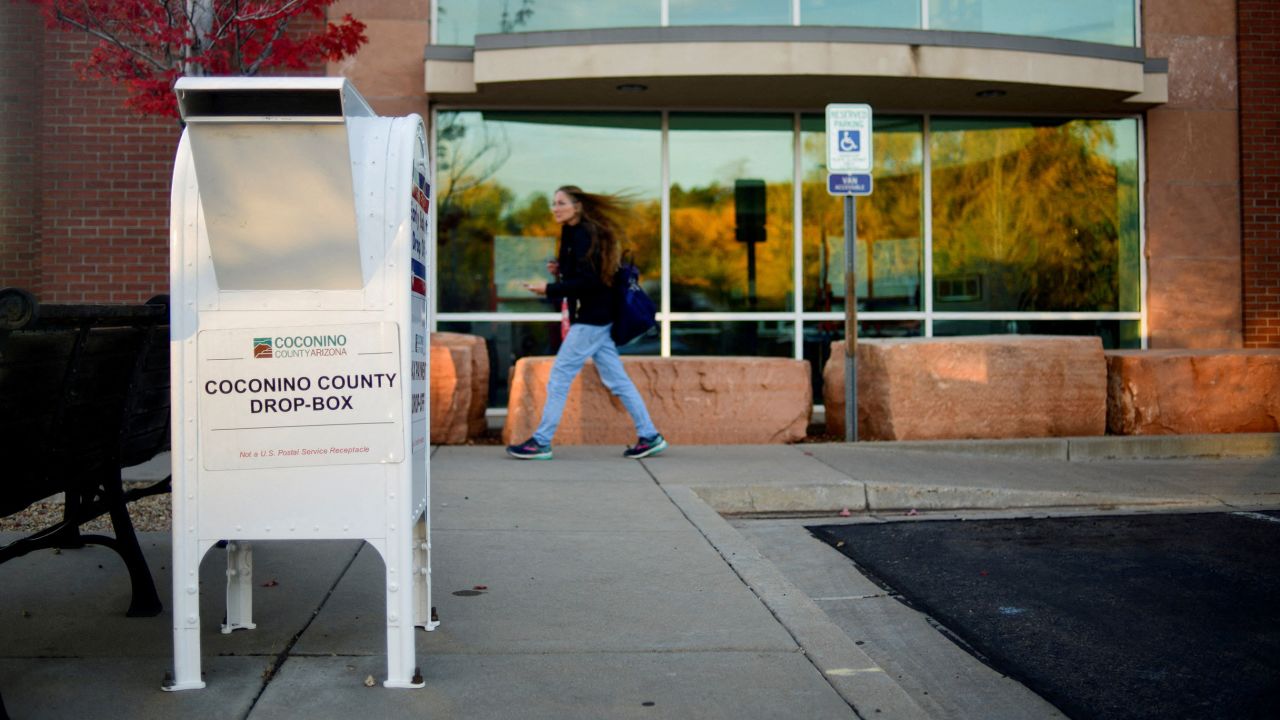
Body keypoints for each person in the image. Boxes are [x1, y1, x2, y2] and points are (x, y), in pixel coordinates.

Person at [506, 185, 668, 461]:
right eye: (553, 203)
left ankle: (541, 442)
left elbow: (590, 282)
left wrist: (548, 289)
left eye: (561, 203)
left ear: (577, 206)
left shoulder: (585, 234)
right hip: (597, 319)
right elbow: (583, 273)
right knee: (618, 381)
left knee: (559, 377)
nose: (555, 208)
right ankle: (650, 435)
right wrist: (561, 270)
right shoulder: (572, 232)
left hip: (593, 319)